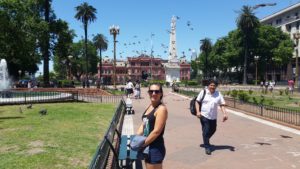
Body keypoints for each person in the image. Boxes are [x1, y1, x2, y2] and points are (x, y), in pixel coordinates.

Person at [136, 83, 168, 169]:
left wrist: (142, 145)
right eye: (151, 91)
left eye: (157, 91)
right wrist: (136, 138)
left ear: (161, 94)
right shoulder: (150, 105)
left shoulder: (161, 109)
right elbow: (144, 123)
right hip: (148, 145)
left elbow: (156, 131)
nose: (153, 93)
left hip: (155, 147)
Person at [195, 79, 228, 155]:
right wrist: (198, 112)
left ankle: (205, 139)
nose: (212, 87)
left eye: (214, 85)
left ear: (216, 86)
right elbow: (197, 101)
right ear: (208, 85)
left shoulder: (218, 94)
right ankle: (207, 147)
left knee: (213, 129)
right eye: (211, 85)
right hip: (204, 115)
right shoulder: (203, 92)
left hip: (213, 116)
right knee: (206, 130)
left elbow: (222, 104)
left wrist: (224, 114)